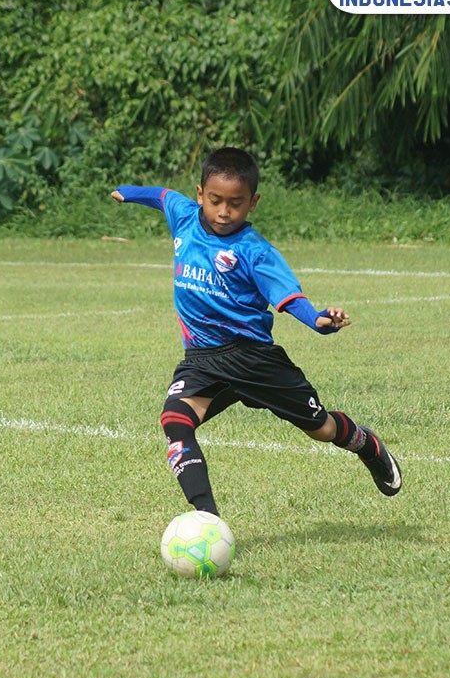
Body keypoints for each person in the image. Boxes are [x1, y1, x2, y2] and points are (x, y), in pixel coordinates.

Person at [110, 147, 401, 517]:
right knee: (175, 421)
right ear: (200, 193)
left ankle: (365, 444)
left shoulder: (255, 252)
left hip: (253, 359)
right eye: (215, 200)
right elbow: (161, 195)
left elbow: (290, 297)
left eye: (236, 203)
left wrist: (317, 320)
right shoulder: (184, 218)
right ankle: (207, 518)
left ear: (253, 203)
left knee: (322, 429)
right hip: (202, 360)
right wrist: (129, 192)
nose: (224, 211)